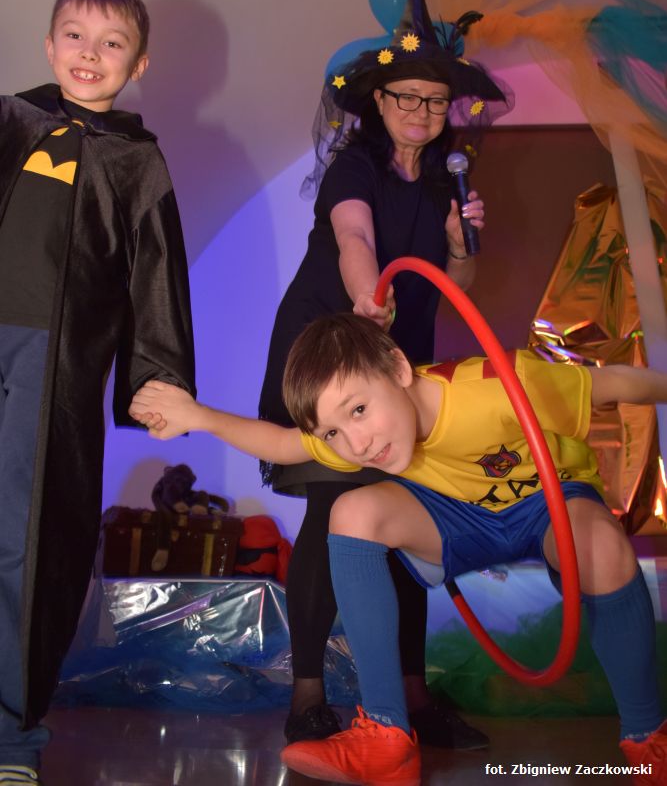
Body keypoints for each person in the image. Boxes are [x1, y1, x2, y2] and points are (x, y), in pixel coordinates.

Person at [130, 312, 666, 786]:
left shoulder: (500, 385)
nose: (357, 444)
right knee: (352, 510)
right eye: (333, 433)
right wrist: (197, 416)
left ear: (399, 368)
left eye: (359, 410)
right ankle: (386, 736)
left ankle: (647, 742)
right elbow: (284, 443)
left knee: (601, 543)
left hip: (550, 504)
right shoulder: (355, 436)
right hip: (460, 520)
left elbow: (613, 382)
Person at [257, 0, 512, 747]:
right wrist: (368, 300)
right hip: (333, 351)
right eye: (406, 96)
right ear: (378, 99)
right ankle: (307, 696)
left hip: (399, 359)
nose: (421, 111)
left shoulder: (443, 180)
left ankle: (410, 697)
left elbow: (455, 283)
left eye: (434, 100)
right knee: (333, 508)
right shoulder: (354, 165)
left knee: (405, 512)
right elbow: (354, 239)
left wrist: (458, 242)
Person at [0, 0, 196, 785]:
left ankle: (10, 737)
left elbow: (157, 275)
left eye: (112, 42)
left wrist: (160, 380)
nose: (90, 53)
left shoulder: (137, 161)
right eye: (75, 36)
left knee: (25, 538)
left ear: (137, 63)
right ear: (49, 45)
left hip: (54, 365)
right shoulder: (8, 120)